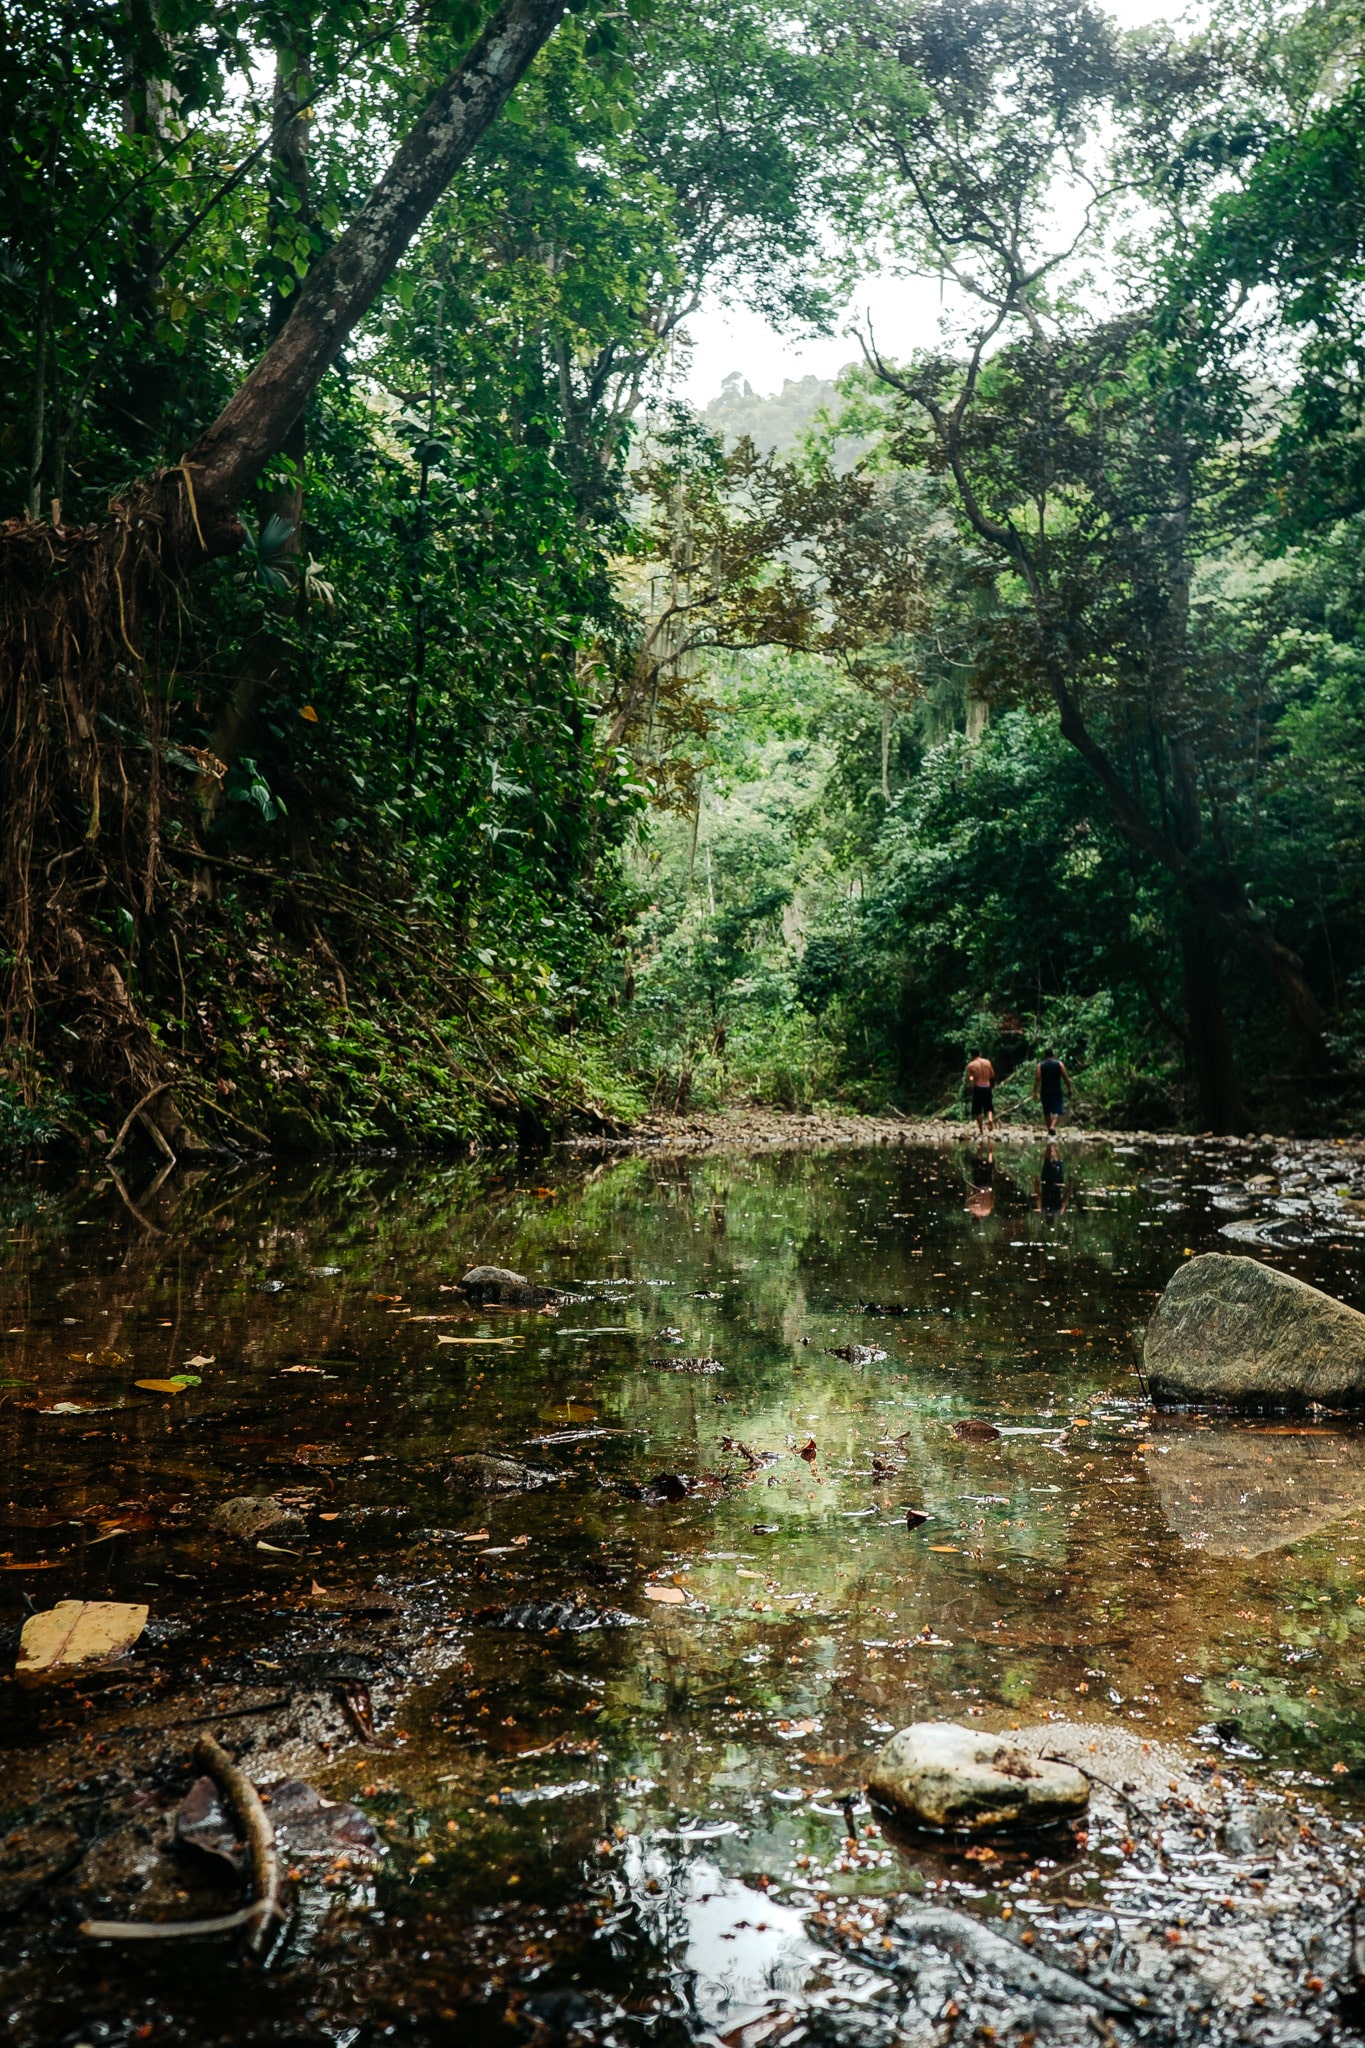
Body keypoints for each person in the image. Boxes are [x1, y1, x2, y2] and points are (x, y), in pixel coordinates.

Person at [1032, 1048, 1072, 1134]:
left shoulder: (1040, 1065)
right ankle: (1052, 1127)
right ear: (1053, 1055)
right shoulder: (1059, 1064)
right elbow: (1065, 1077)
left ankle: (1050, 1128)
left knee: (1046, 1111)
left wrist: (1035, 1091)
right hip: (1056, 1090)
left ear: (1045, 1056)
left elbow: (1037, 1079)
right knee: (1057, 1110)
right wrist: (1069, 1088)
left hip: (1045, 1090)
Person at [964, 1050, 996, 1136]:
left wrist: (972, 1078)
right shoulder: (987, 1062)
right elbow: (992, 1074)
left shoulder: (971, 1065)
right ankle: (990, 1119)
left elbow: (969, 1078)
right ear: (980, 1054)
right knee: (989, 1106)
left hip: (978, 1087)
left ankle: (981, 1131)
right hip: (987, 1086)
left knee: (977, 1110)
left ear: (971, 1055)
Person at [1037, 1141, 1067, 1216]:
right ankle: (1051, 1148)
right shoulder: (1042, 1209)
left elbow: (1065, 1198)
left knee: (1058, 1165)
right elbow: (1038, 1196)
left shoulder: (1059, 1211)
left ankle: (1053, 1148)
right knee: (1047, 1163)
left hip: (1057, 1183)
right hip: (1046, 1182)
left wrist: (1069, 1186)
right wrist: (1036, 1184)